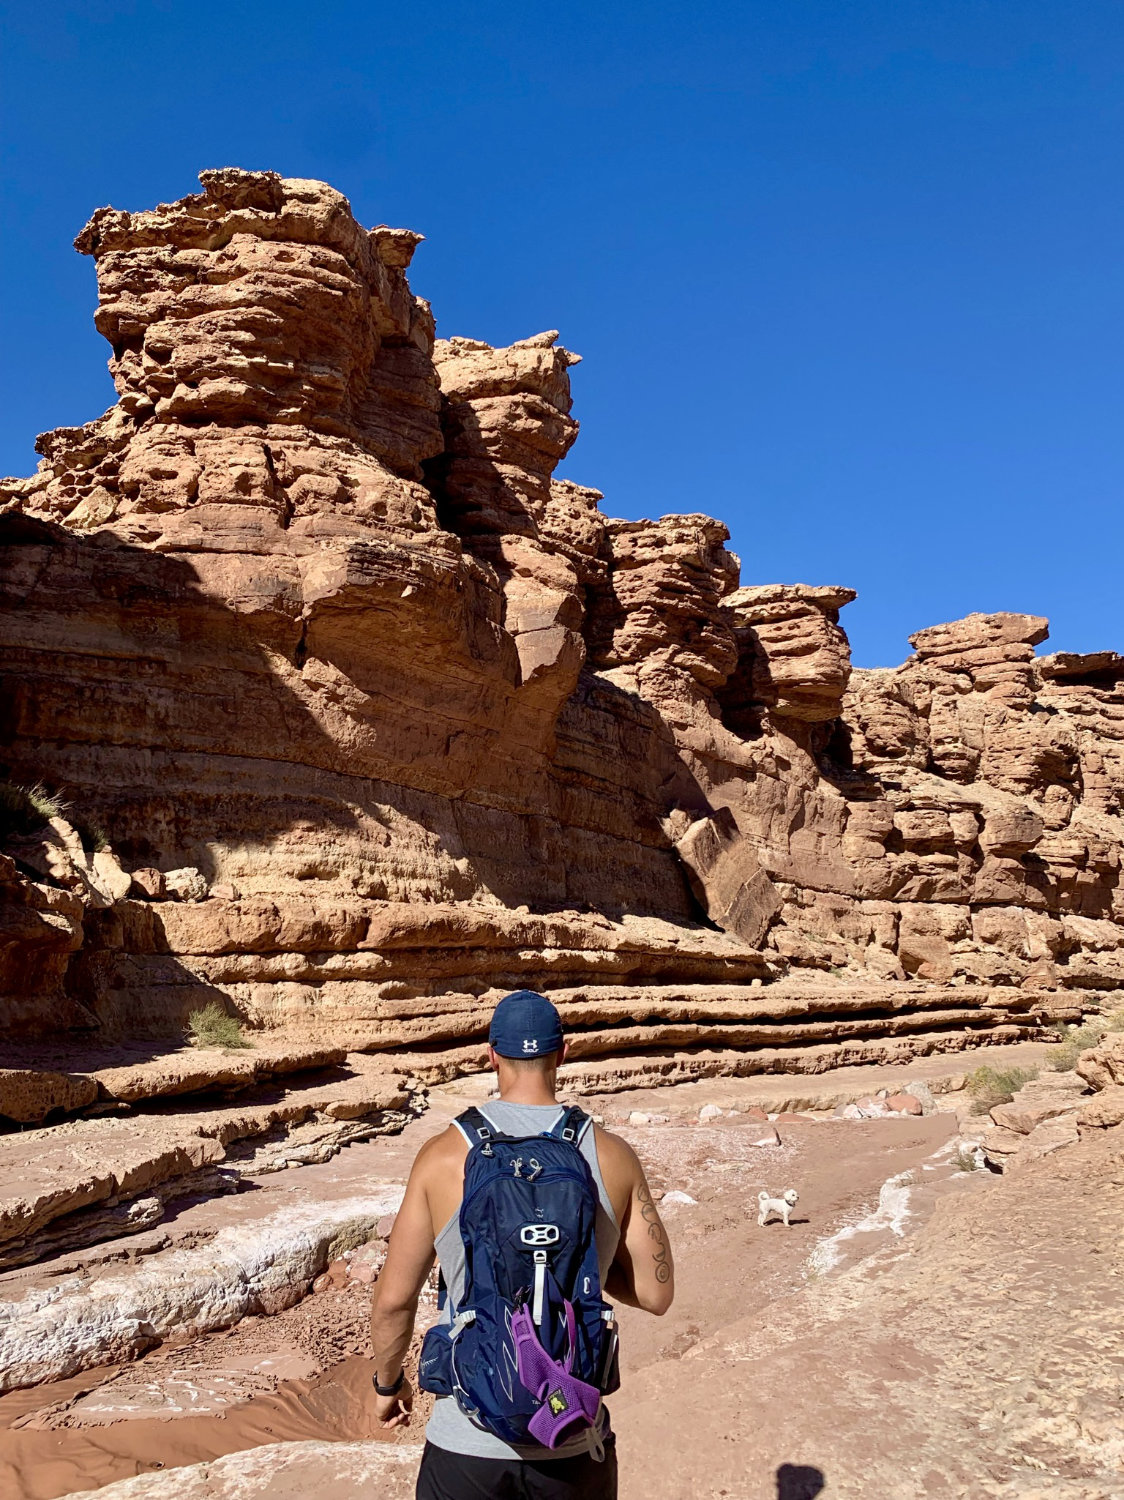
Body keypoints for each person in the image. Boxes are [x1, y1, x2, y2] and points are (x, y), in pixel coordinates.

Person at [369, 989, 675, 1500]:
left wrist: (388, 1384)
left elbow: (393, 1300)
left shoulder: (444, 1155)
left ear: (491, 1056)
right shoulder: (612, 1155)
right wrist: (594, 1270)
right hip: (573, 1437)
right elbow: (657, 1295)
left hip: (467, 1443)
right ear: (563, 1054)